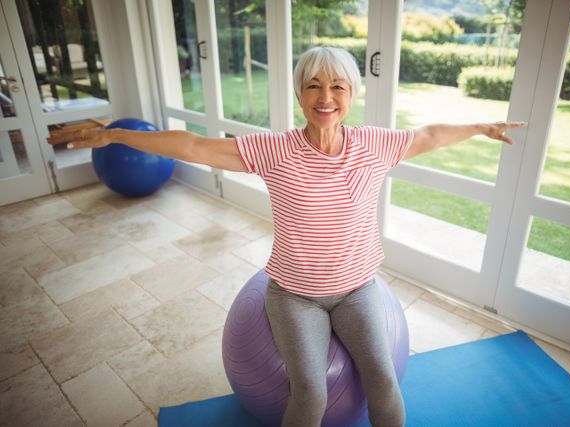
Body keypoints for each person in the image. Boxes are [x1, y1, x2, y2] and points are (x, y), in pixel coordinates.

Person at [62, 46, 525, 427]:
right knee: (309, 395)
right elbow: (195, 146)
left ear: (351, 95)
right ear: (300, 96)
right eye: (314, 86)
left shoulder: (374, 145)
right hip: (293, 296)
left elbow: (428, 135)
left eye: (337, 86)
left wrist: (481, 128)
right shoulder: (275, 149)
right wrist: (117, 136)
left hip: (357, 289)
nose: (326, 97)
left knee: (383, 380)